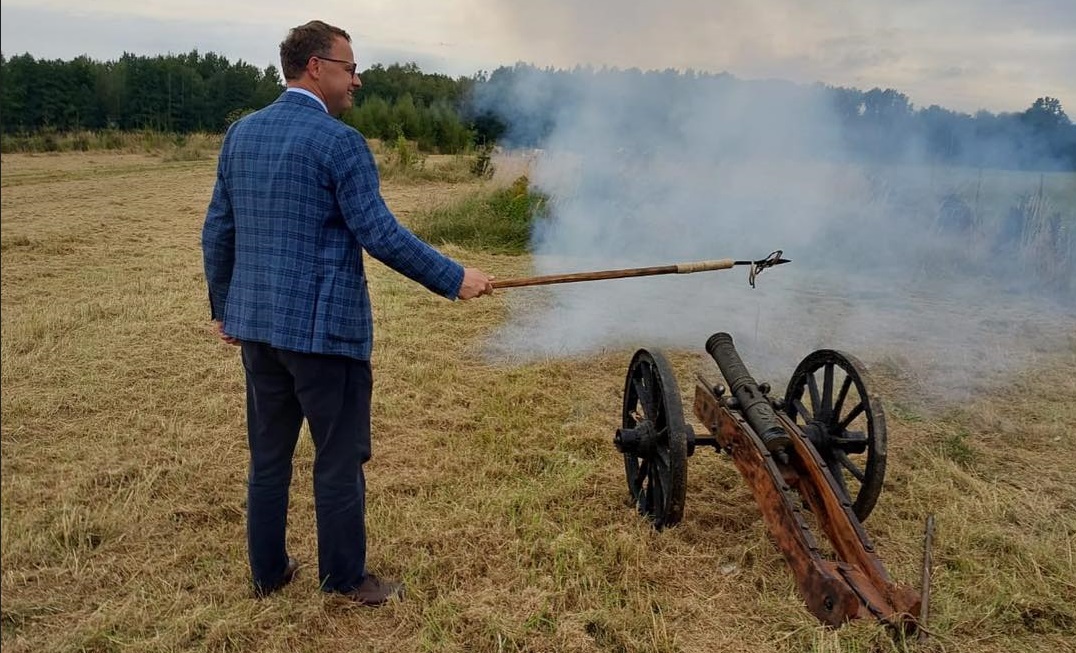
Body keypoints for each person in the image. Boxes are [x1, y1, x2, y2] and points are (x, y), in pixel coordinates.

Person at [201, 19, 494, 606]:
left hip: (258, 328)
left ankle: (268, 573)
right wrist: (453, 277)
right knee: (338, 459)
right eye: (350, 67)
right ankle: (343, 580)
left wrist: (225, 308)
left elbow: (218, 231)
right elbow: (378, 233)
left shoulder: (242, 135)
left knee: (268, 456)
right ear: (316, 67)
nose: (357, 81)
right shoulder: (340, 143)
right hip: (324, 335)